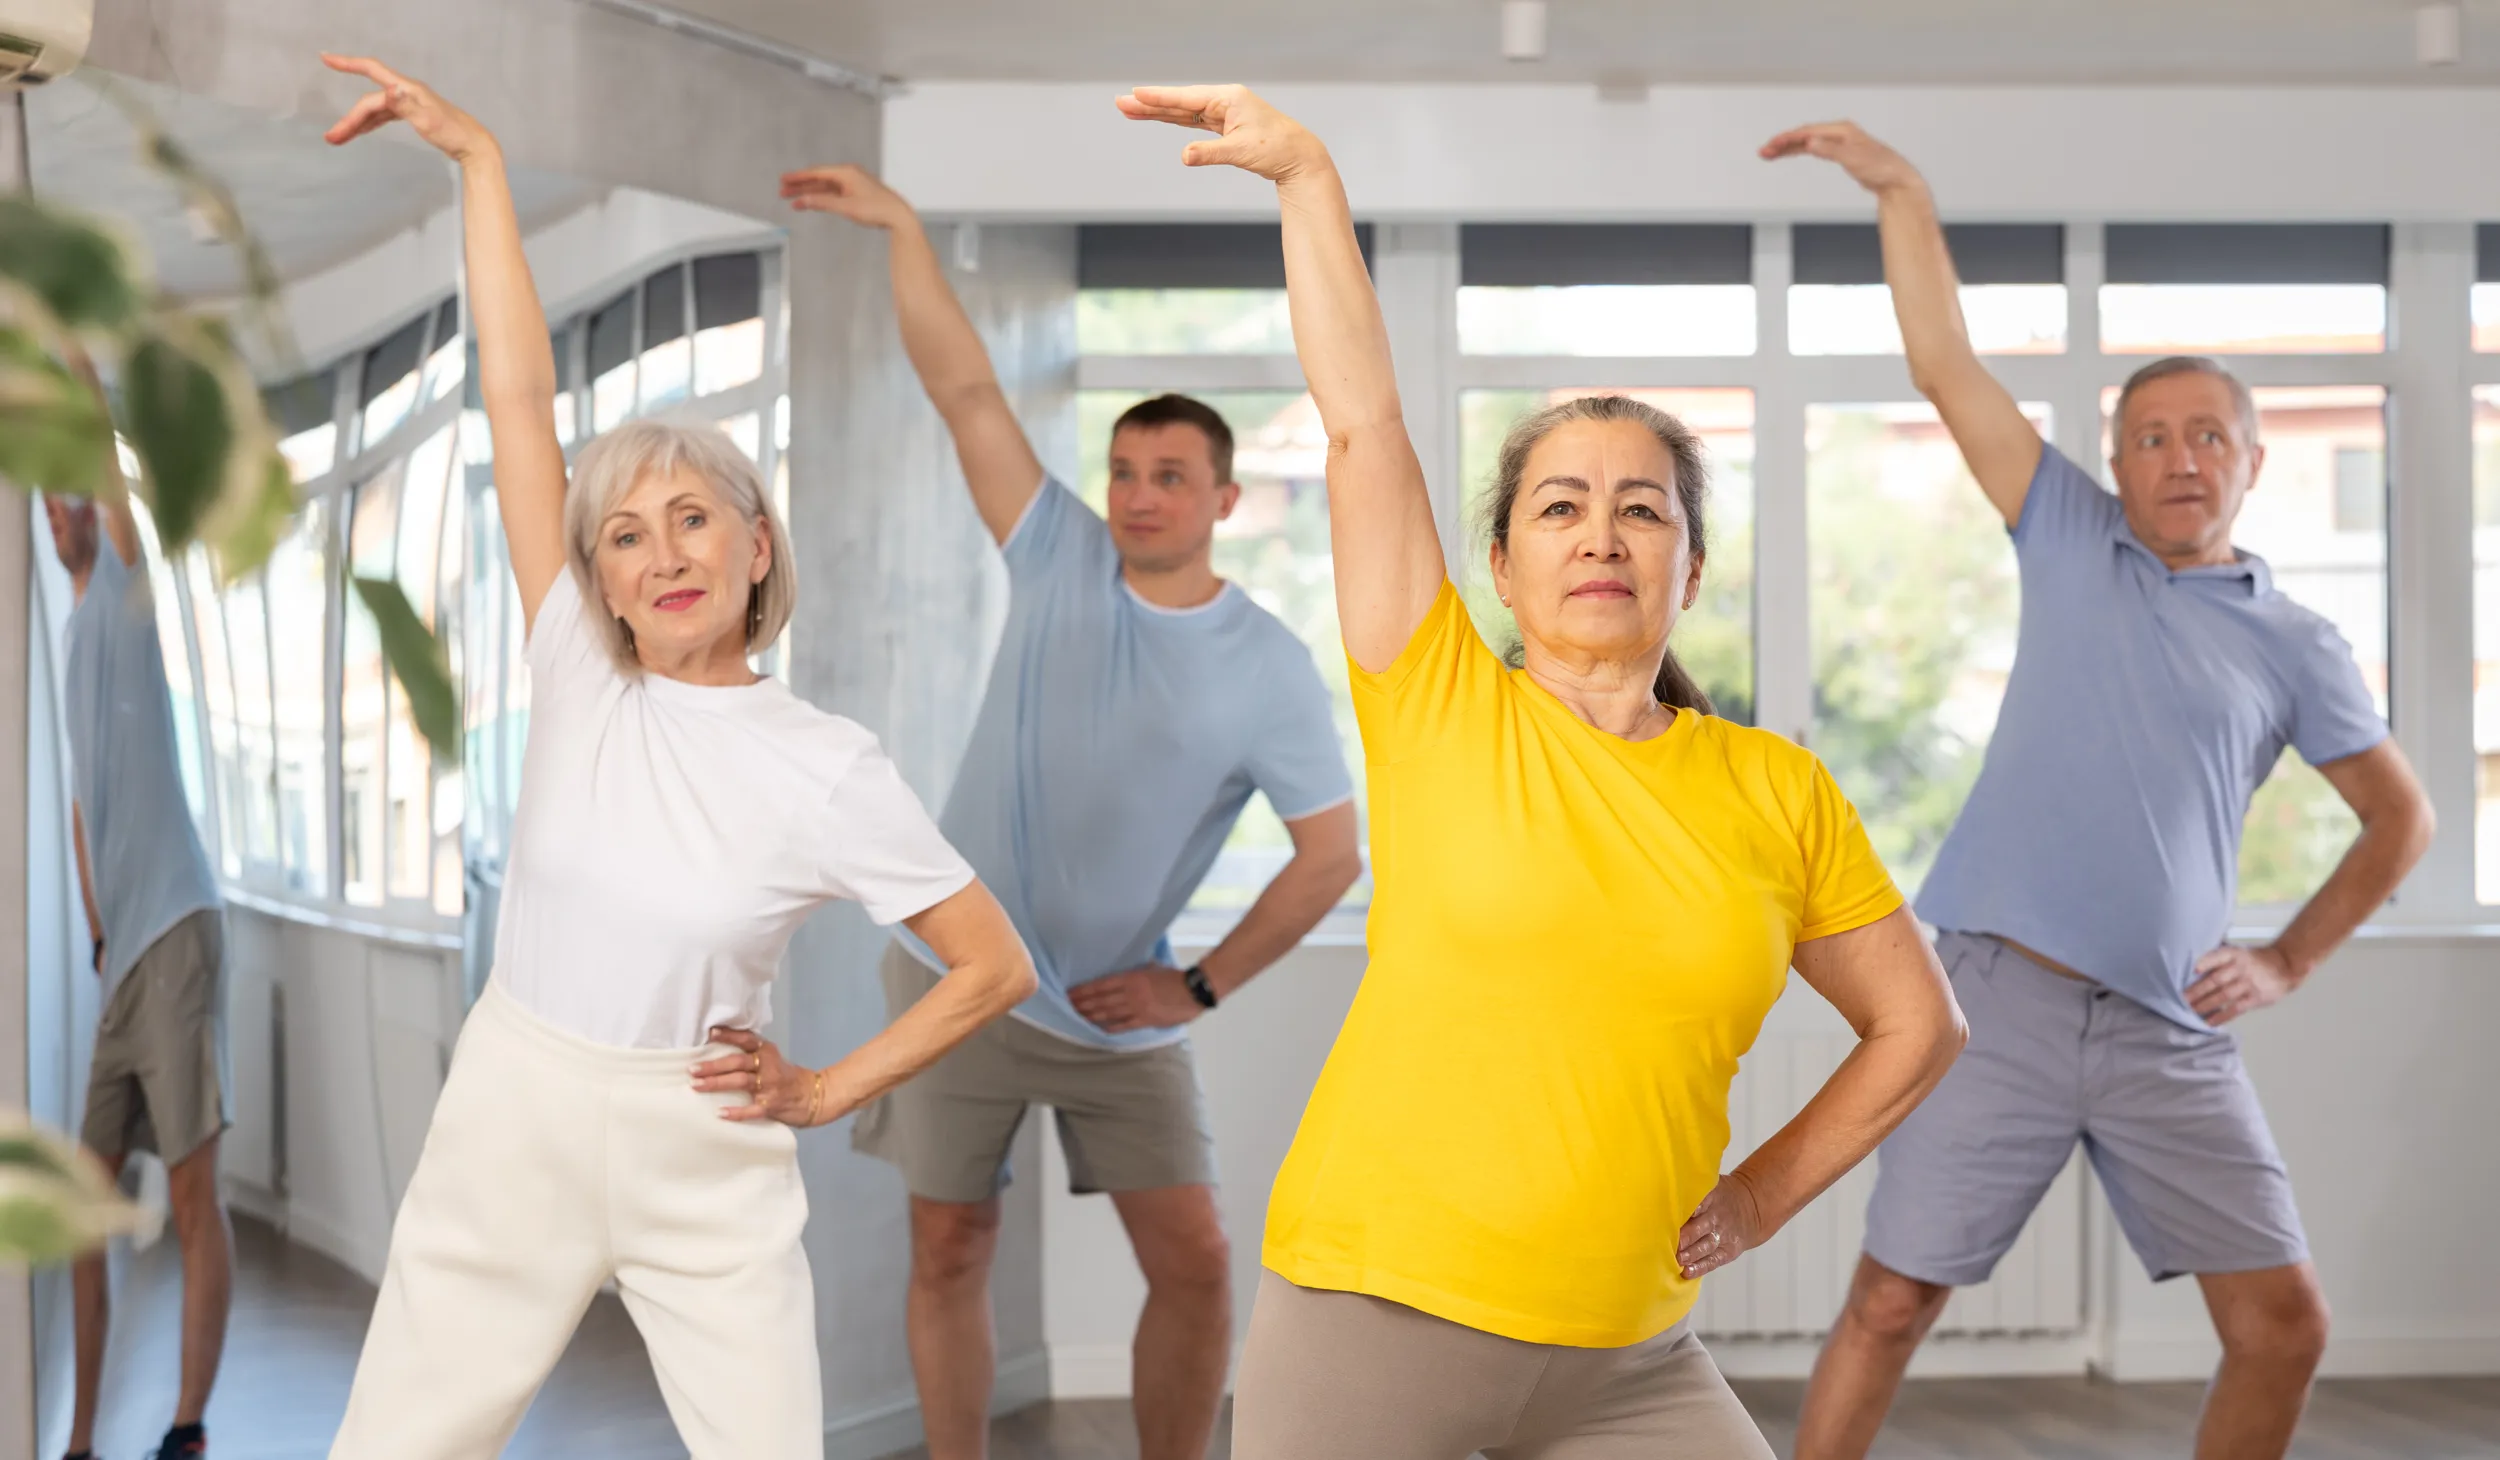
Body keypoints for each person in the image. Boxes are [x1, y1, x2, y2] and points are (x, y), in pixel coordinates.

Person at [1114, 85, 1968, 1460]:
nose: (1602, 533)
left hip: (1634, 1357)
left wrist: (1757, 1198)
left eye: (1644, 509)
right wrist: (1311, 186)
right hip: (1373, 1318)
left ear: (1691, 570)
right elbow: (1363, 430)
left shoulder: (1778, 790)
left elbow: (1920, 1029)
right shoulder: (1441, 699)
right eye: (1560, 506)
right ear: (1501, 568)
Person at [317, 56, 1036, 1460]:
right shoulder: (579, 665)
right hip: (513, 1110)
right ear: (606, 581)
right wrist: (478, 165)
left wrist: (824, 1090)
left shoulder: (825, 764)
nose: (662, 554)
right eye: (627, 537)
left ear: (756, 545)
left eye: (693, 518)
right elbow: (518, 401)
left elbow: (995, 964)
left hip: (700, 1147)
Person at [1764, 121, 2438, 1460]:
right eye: (2150, 437)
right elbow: (1944, 365)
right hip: (1991, 1004)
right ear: (2115, 465)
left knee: (2283, 1326)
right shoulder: (2074, 540)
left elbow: (2402, 817)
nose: (2179, 456)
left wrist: (2290, 959)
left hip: (2165, 1030)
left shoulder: (2295, 641)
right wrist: (1903, 191)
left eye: (2207, 436)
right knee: (1889, 1304)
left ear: (2250, 461)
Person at [777, 163, 1363, 1460]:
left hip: (1115, 1010)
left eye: (1171, 473)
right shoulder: (1056, 555)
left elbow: (1331, 859)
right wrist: (904, 233)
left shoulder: (1266, 663)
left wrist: (1196, 990)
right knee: (952, 1242)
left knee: (1201, 1261)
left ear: (1224, 500)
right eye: (1126, 469)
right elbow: (966, 389)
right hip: (956, 978)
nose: (1140, 492)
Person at [48, 376, 234, 1460]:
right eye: (49, 500)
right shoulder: (72, 643)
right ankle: (78, 1438)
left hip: (178, 923)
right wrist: (96, 932)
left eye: (73, 492)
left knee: (192, 1184)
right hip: (125, 955)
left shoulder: (123, 587)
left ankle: (188, 1426)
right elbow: (84, 811)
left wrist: (70, 349)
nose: (59, 506)